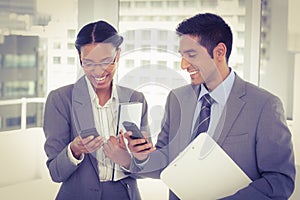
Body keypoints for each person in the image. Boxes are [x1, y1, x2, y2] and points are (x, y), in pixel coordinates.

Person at [124, 13, 296, 200]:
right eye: (182, 56)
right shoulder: (177, 99)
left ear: (219, 52)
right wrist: (140, 157)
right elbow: (167, 163)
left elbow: (279, 181)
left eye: (191, 55)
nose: (183, 65)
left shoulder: (264, 106)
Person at [43, 20, 150, 200]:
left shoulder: (135, 99)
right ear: (79, 58)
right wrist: (74, 150)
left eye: (106, 61)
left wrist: (129, 157)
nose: (98, 71)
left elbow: (146, 167)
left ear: (118, 55)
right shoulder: (60, 100)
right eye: (89, 63)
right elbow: (56, 173)